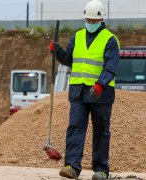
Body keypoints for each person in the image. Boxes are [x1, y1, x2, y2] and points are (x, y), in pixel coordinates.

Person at [49, 0, 120, 179]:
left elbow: (111, 66)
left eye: (93, 21)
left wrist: (101, 83)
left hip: (100, 93)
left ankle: (101, 170)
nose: (90, 23)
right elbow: (69, 60)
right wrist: (57, 52)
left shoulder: (110, 40)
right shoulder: (78, 36)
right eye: (87, 20)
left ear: (101, 20)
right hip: (78, 91)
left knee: (101, 131)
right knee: (75, 128)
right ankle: (72, 166)